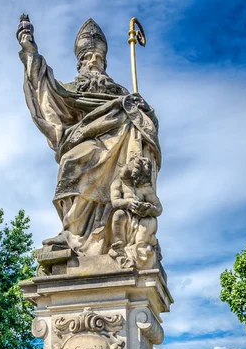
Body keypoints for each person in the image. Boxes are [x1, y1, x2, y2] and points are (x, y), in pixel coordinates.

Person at [17, 15, 161, 259]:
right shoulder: (73, 91)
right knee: (71, 163)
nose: (94, 61)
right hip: (83, 140)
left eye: (99, 58)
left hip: (120, 145)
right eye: (88, 57)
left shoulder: (120, 93)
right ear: (80, 63)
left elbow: (149, 124)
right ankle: (72, 232)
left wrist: (141, 110)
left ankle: (112, 239)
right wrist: (31, 53)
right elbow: (46, 91)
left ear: (104, 63)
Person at [109, 155, 162, 268]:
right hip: (127, 215)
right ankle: (119, 247)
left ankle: (144, 248)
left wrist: (148, 209)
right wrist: (128, 203)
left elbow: (158, 208)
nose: (135, 180)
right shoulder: (118, 183)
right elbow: (115, 202)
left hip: (143, 218)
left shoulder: (145, 188)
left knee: (146, 231)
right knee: (118, 215)